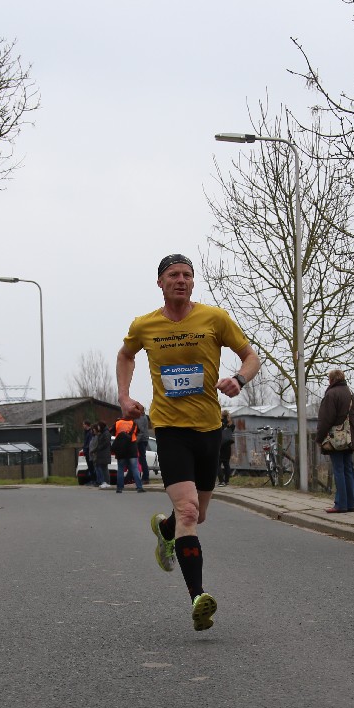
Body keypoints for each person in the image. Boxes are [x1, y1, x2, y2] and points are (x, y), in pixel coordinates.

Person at [117, 253, 260, 631]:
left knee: (199, 514)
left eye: (187, 275)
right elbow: (126, 355)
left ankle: (165, 532)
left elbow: (250, 356)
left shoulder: (214, 318)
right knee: (189, 512)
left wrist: (239, 379)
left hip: (209, 429)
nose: (181, 280)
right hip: (170, 430)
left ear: (193, 282)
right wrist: (124, 396)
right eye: (173, 275)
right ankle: (199, 598)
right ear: (160, 283)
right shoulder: (145, 325)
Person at [315, 370, 354, 513]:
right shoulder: (351, 394)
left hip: (336, 440)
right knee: (349, 469)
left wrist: (319, 438)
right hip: (349, 439)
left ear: (331, 380)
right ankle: (351, 503)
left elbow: (326, 419)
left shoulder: (331, 394)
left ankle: (341, 504)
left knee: (339, 469)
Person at [112, 416, 145, 493]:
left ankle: (119, 488)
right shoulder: (133, 423)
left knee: (120, 469)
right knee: (135, 468)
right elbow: (137, 432)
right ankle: (139, 487)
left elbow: (112, 432)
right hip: (132, 448)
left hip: (121, 449)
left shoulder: (117, 423)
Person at [90, 421, 111, 489]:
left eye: (98, 426)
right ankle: (105, 482)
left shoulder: (106, 433)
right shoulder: (102, 433)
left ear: (101, 426)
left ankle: (107, 482)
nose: (98, 427)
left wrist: (99, 448)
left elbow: (106, 443)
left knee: (104, 468)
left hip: (104, 453)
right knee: (103, 468)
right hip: (102, 453)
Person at [218, 410, 235, 486]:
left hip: (220, 446)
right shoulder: (231, 425)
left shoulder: (219, 423)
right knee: (226, 464)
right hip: (227, 447)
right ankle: (227, 481)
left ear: (221, 415)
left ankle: (221, 481)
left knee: (218, 465)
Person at [135, 413, 153, 482]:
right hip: (143, 439)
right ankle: (143, 476)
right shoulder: (142, 416)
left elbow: (141, 431)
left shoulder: (140, 417)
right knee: (141, 459)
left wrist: (135, 441)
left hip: (141, 440)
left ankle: (145, 477)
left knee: (142, 459)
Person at [82, 420, 96, 485]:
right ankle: (92, 480)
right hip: (87, 452)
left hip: (89, 452)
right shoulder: (86, 432)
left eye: (83, 424)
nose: (83, 426)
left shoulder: (90, 432)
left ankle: (94, 480)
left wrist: (86, 449)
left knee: (91, 467)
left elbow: (90, 443)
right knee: (90, 467)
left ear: (86, 425)